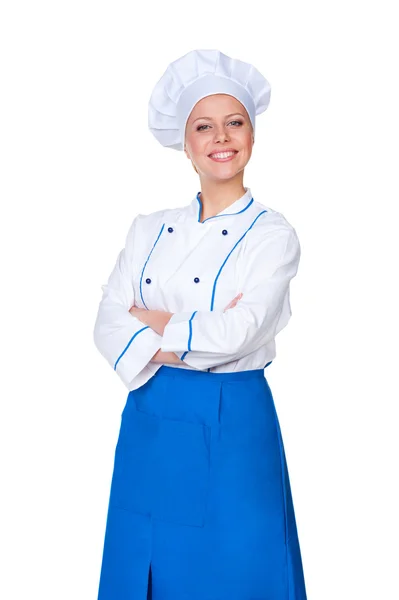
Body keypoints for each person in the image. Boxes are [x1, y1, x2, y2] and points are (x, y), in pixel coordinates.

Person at [94, 48, 307, 600]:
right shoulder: (147, 229)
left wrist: (153, 325)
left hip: (234, 421)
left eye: (234, 123)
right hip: (151, 420)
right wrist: (191, 331)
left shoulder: (271, 235)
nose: (221, 137)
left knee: (238, 571)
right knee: (146, 570)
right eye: (204, 126)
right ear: (185, 144)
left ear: (252, 135)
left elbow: (241, 333)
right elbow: (107, 323)